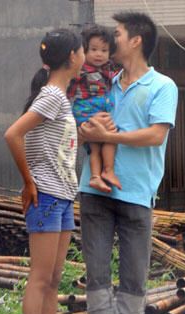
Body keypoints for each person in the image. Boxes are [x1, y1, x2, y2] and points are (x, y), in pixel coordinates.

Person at [77, 11, 178, 314]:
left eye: (117, 34)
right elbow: (82, 125)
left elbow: (155, 135)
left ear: (136, 40)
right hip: (95, 190)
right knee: (97, 270)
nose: (111, 39)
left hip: (137, 192)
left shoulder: (163, 86)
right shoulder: (103, 82)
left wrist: (109, 136)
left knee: (134, 274)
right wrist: (89, 132)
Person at [4, 29, 87, 314]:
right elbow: (12, 134)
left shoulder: (58, 96)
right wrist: (28, 181)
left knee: (53, 279)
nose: (85, 56)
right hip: (47, 196)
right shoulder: (52, 94)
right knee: (39, 280)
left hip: (63, 195)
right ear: (72, 56)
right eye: (83, 50)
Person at [68, 25, 121, 194]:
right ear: (84, 50)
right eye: (94, 49)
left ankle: (98, 176)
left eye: (104, 50)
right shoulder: (81, 70)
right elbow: (69, 89)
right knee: (108, 137)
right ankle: (105, 172)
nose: (99, 54)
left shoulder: (109, 69)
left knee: (101, 143)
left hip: (99, 111)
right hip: (87, 112)